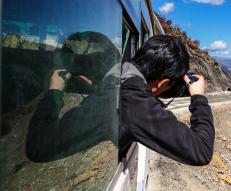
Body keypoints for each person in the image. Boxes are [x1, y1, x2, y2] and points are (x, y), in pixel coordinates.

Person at [120, 35, 215, 166]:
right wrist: (199, 98)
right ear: (162, 83)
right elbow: (202, 150)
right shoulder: (136, 104)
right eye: (170, 85)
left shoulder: (121, 74)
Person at [26, 31, 121, 162]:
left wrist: (54, 91)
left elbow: (37, 147)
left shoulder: (105, 106)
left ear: (84, 79)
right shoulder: (122, 84)